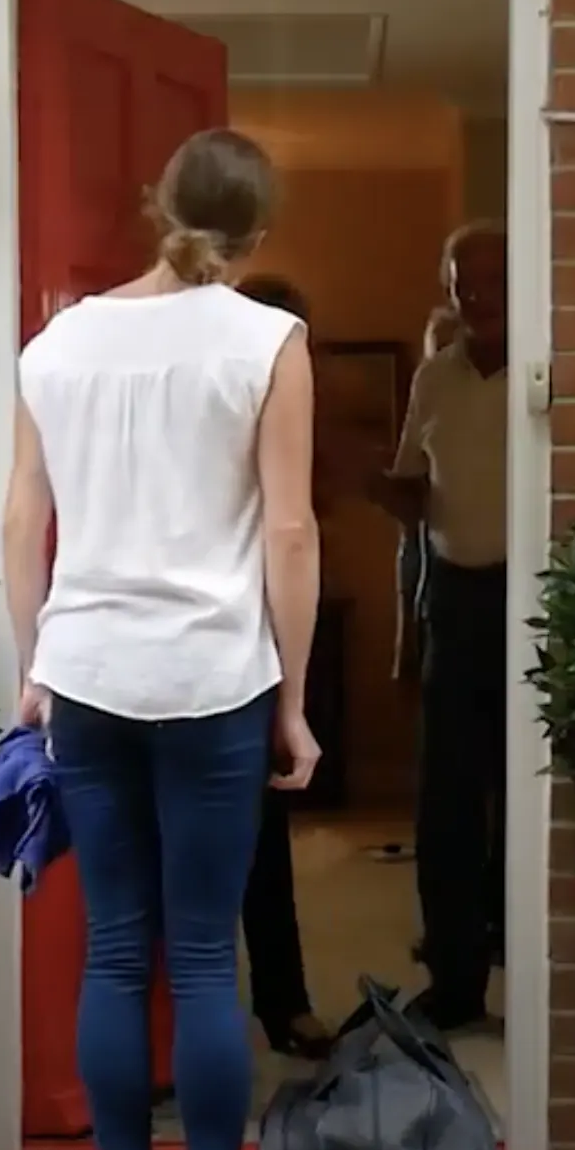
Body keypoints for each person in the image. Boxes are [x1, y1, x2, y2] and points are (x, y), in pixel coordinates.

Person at [1, 129, 322, 1150]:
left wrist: (33, 669)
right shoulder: (267, 341)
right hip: (212, 680)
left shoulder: (58, 344)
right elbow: (287, 531)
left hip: (86, 675)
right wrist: (293, 698)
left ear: (157, 205)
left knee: (113, 953)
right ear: (257, 231)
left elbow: (20, 518)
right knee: (200, 958)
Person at [375, 220, 508, 1033]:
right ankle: (457, 985)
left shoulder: (547, 369)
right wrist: (359, 475)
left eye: (490, 282)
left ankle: (525, 970)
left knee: (525, 803)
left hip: (534, 605)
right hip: (455, 600)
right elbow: (414, 493)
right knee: (446, 804)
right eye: (464, 285)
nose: (477, 297)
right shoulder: (434, 378)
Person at [229, 273, 337, 1062]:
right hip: (217, 637)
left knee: (264, 839)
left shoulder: (296, 410)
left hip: (269, 631)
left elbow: (298, 523)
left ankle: (284, 1000)